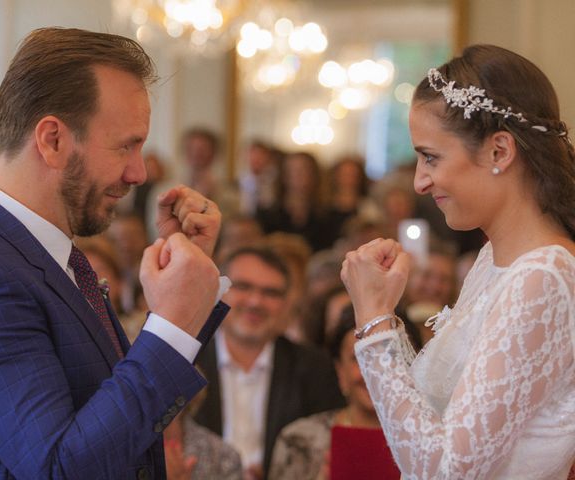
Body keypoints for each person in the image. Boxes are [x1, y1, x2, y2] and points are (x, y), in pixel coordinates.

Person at [0, 27, 230, 479]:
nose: (138, 172)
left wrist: (189, 280)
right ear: (52, 140)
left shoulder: (45, 253)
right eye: (126, 145)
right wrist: (171, 325)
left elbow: (106, 407)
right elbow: (60, 468)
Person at [341, 44, 575, 479]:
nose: (420, 181)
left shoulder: (543, 277)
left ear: (499, 152)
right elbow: (436, 421)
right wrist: (387, 322)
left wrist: (372, 323)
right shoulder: (494, 259)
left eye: (430, 157)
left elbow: (448, 471)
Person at [194, 245, 344, 479]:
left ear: (286, 303)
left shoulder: (315, 368)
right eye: (243, 287)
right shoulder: (189, 360)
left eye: (271, 293)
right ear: (219, 291)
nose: (255, 302)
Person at [269, 305, 397, 480]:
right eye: (360, 358)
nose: (376, 372)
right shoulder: (299, 440)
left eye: (388, 357)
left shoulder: (433, 439)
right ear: (340, 371)